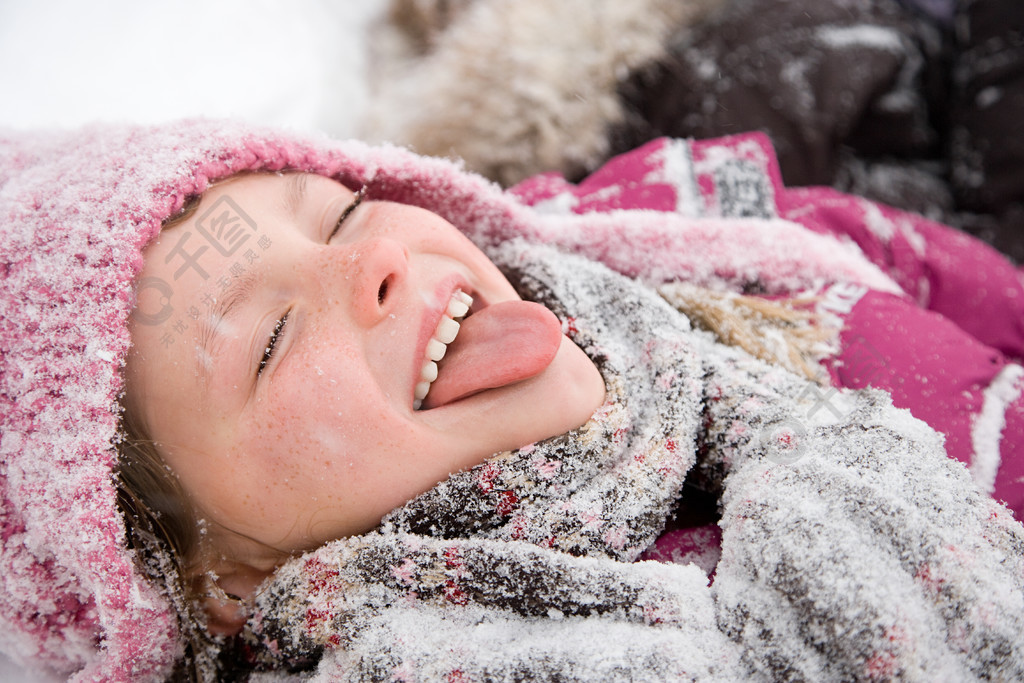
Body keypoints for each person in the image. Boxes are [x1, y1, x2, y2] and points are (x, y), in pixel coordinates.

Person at [3, 120, 1024, 681]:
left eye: (343, 211)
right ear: (207, 578)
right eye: (269, 341)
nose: (377, 258)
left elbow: (938, 275)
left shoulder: (675, 242)